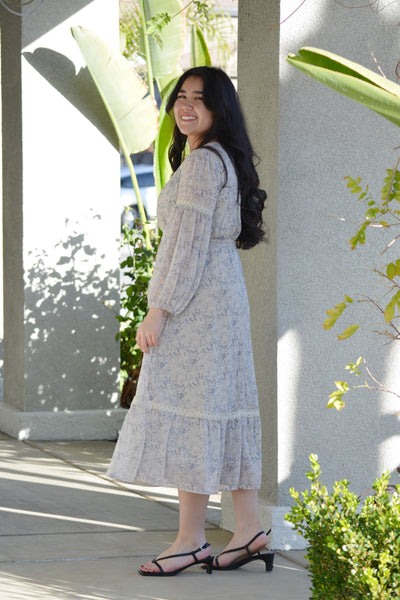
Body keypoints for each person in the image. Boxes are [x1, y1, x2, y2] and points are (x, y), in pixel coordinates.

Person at [107, 66, 273, 577]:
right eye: (181, 96)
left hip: (197, 301)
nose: (186, 106)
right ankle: (248, 529)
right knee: (220, 407)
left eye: (199, 99)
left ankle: (191, 539)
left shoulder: (203, 163)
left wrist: (159, 308)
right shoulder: (220, 157)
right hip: (220, 294)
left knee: (195, 411)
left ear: (219, 109)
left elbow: (185, 248)